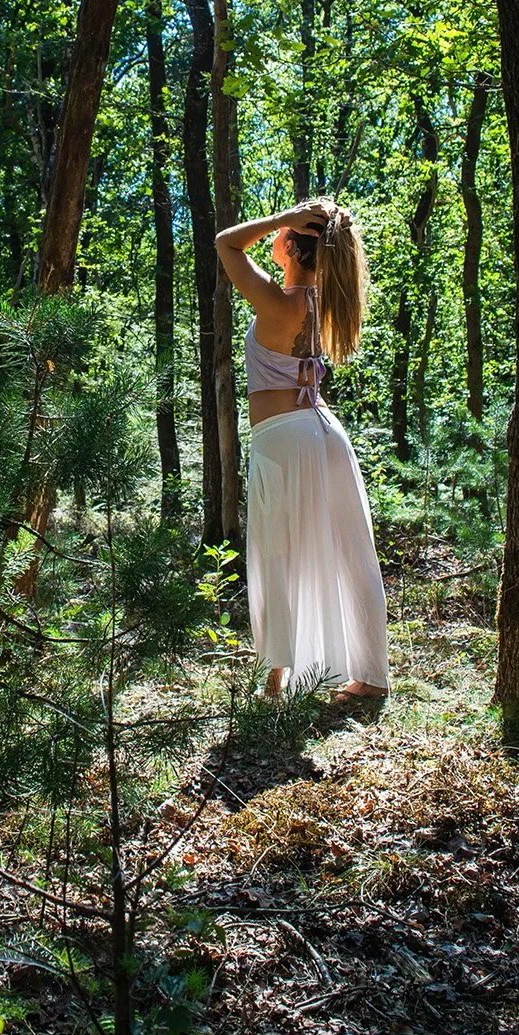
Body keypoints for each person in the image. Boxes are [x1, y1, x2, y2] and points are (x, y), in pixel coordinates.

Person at [214, 198, 389, 703]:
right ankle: (371, 676)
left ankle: (274, 683)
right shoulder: (320, 303)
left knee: (276, 555)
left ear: (290, 244)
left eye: (284, 229)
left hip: (285, 437)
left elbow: (226, 242)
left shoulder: (280, 301)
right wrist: (291, 222)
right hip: (324, 431)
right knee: (353, 552)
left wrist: (277, 220)